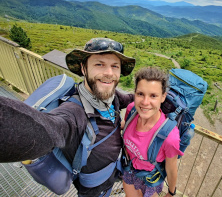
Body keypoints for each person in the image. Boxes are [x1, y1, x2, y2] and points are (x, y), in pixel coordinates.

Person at [0, 37, 136, 197]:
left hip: (112, 174)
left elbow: (131, 99)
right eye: (99, 64)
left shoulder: (113, 97)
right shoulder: (74, 112)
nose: (109, 73)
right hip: (94, 191)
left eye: (115, 66)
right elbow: (48, 129)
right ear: (84, 68)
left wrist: (156, 99)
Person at [122, 67, 183, 197]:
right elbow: (125, 126)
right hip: (129, 170)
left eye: (153, 96)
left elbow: (171, 169)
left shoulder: (169, 137)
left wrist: (171, 193)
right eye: (140, 94)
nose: (145, 102)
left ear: (163, 97)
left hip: (150, 180)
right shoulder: (131, 110)